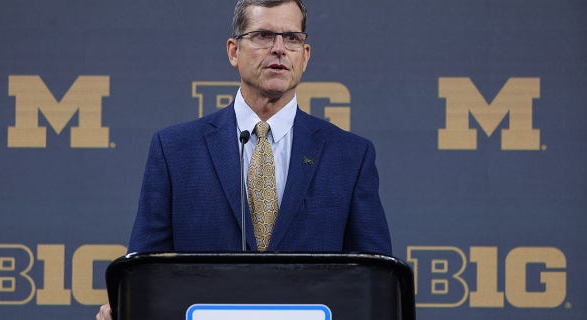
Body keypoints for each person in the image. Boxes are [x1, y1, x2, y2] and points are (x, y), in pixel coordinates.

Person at [97, 0, 390, 318]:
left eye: (292, 38)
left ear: (305, 56)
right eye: (264, 35)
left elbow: (374, 284)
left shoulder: (349, 156)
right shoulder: (175, 149)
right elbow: (145, 273)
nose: (279, 49)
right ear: (233, 51)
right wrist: (126, 307)